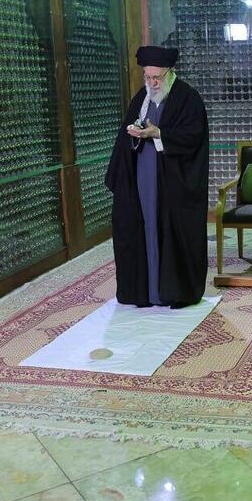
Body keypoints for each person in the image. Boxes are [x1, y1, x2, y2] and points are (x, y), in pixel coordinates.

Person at [104, 46, 209, 308]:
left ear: (170, 73)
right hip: (142, 177)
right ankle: (144, 292)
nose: (152, 83)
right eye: (148, 77)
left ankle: (171, 292)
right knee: (139, 227)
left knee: (168, 230)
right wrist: (135, 133)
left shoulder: (188, 98)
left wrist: (159, 134)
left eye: (157, 78)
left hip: (172, 182)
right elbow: (125, 138)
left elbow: (193, 137)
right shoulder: (141, 98)